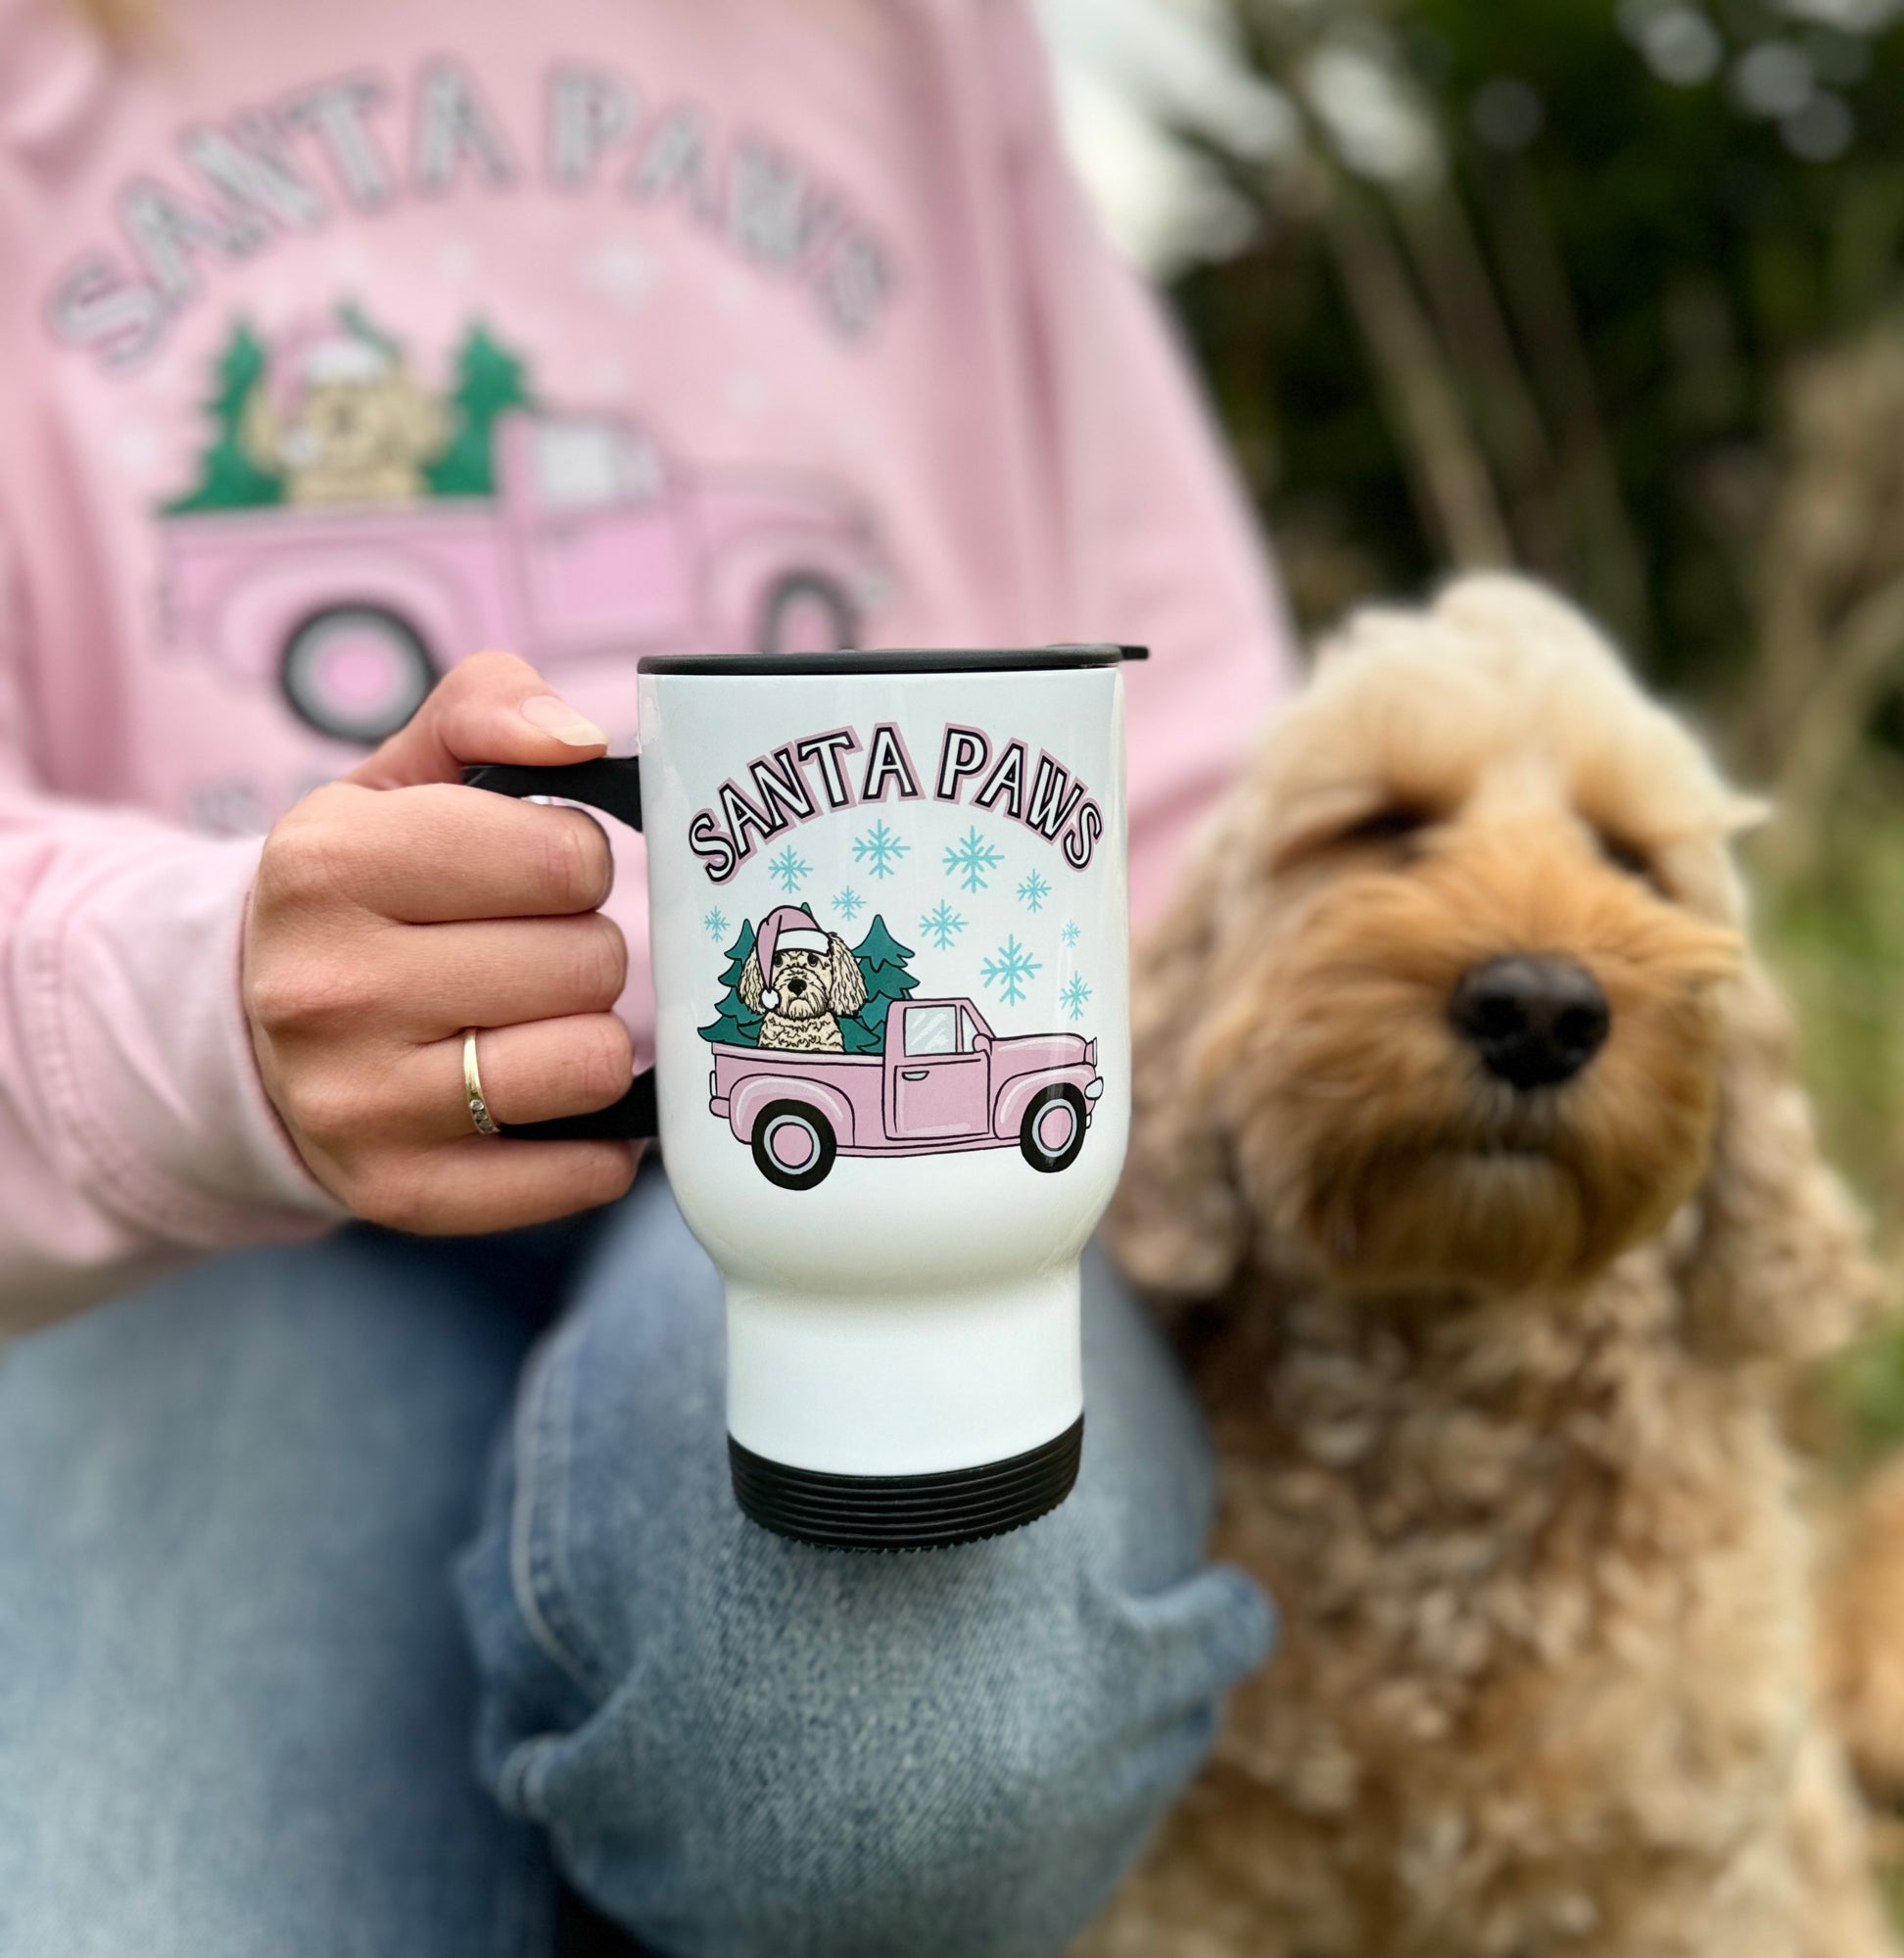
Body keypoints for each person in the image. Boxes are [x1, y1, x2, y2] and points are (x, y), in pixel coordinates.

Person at [0, 1, 1293, 1951]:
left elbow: (1185, 752)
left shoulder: (917, 36)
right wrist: (207, 1004)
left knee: (897, 1736)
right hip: (204, 1226)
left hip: (861, 1186)